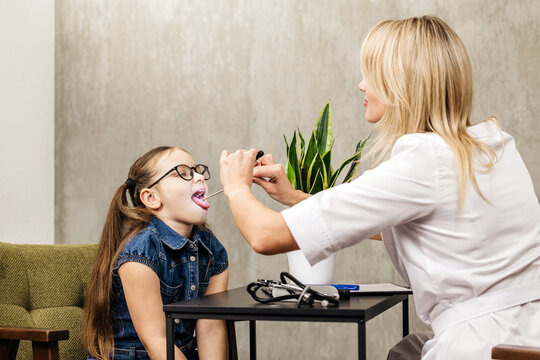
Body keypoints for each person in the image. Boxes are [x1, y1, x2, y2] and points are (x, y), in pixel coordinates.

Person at [218, 16, 540, 359]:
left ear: (400, 82)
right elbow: (420, 227)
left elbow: (264, 236)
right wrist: (292, 197)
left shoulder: (424, 160)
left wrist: (236, 186)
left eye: (369, 73)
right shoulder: (492, 146)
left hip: (479, 343)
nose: (361, 85)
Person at [83, 146, 229, 360]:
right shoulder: (140, 252)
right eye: (183, 172)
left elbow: (211, 328)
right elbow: (157, 341)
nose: (199, 177)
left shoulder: (213, 250)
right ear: (151, 197)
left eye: (198, 170)